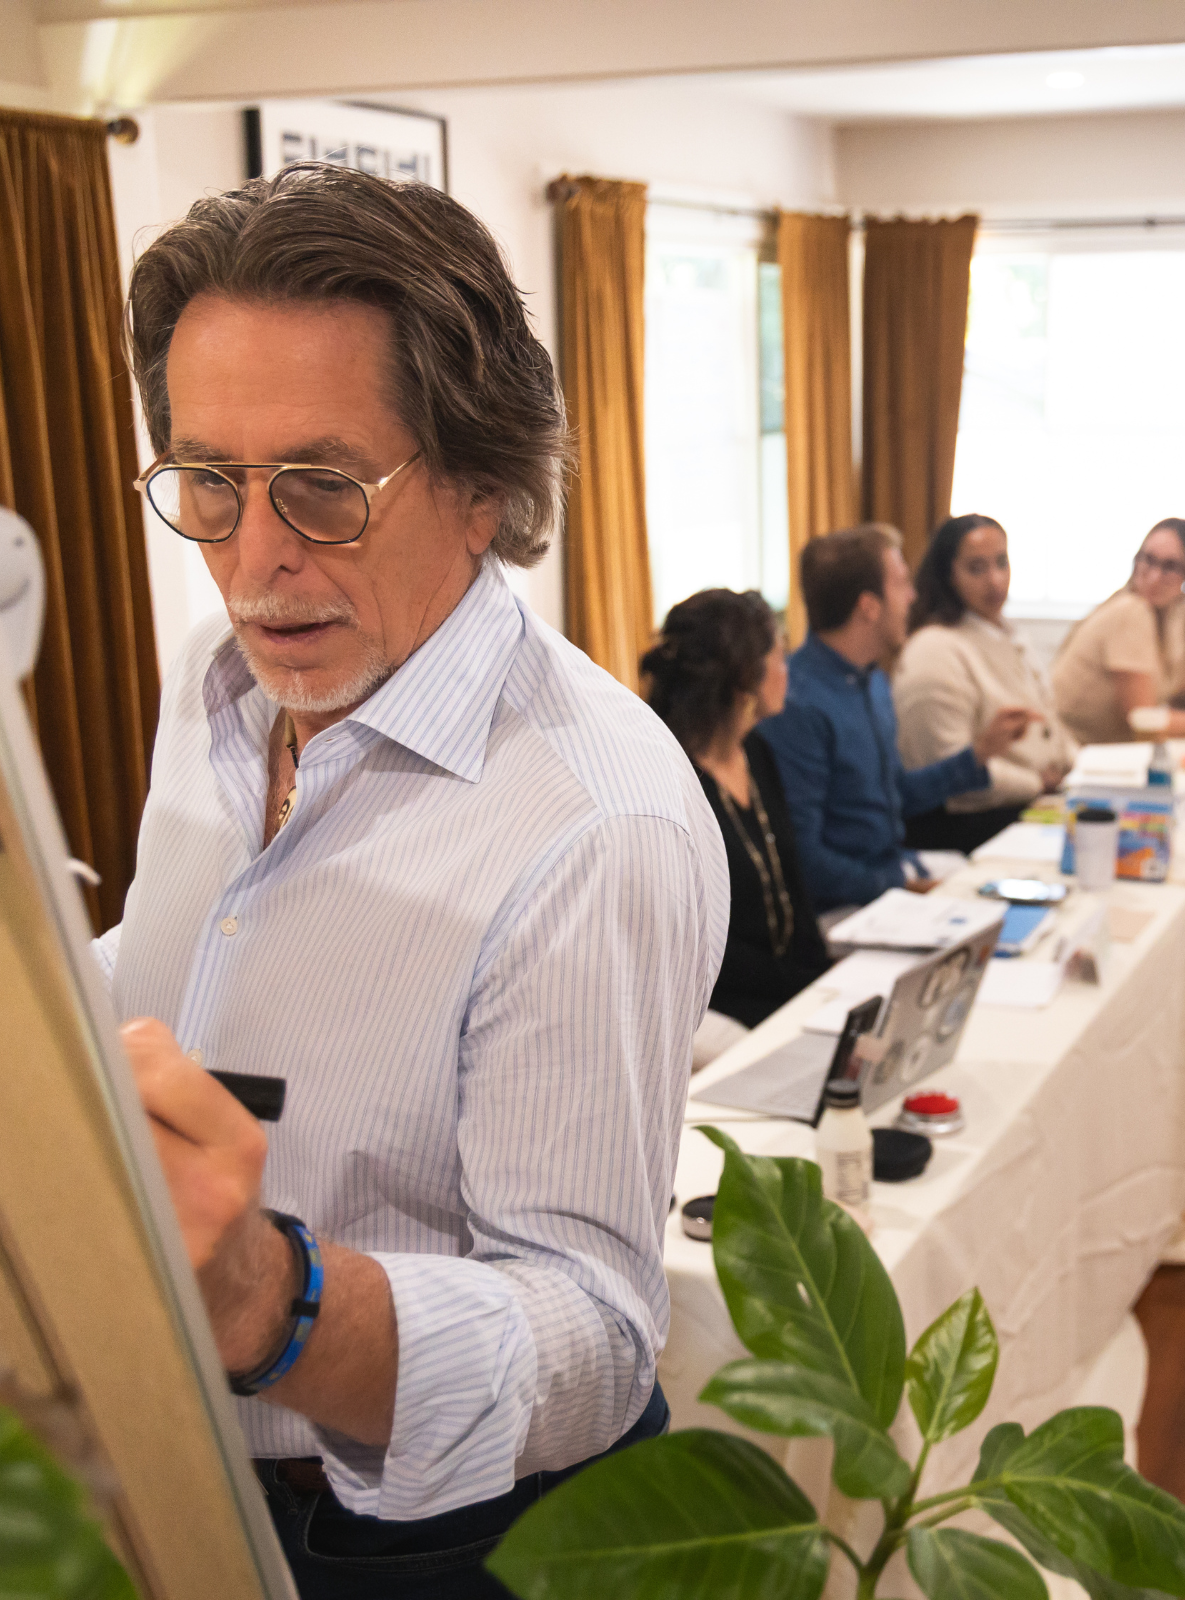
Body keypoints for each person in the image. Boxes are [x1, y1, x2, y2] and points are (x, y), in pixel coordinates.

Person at [107, 165, 728, 1598]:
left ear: (482, 487)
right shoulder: (212, 692)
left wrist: (271, 1301)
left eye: (322, 487)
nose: (253, 560)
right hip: (167, 1462)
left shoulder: (596, 824)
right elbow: (176, 952)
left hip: (426, 1539)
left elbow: (590, 1338)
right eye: (208, 481)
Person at [760, 524, 1037, 913]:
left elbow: (894, 796)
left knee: (1016, 887)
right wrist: (900, 883)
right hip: (844, 907)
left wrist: (977, 756)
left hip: (891, 869)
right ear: (869, 607)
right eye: (902, 584)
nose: (913, 596)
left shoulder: (872, 680)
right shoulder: (799, 706)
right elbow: (804, 860)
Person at [642, 589, 832, 1031]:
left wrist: (825, 978)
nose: (788, 672)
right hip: (724, 1009)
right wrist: (808, 986)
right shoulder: (673, 776)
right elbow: (710, 946)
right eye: (780, 657)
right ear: (746, 676)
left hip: (791, 993)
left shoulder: (758, 753)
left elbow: (794, 885)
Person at [894, 514, 1076, 852]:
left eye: (1001, 563)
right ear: (948, 575)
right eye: (977, 568)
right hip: (966, 826)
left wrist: (1076, 768)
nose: (995, 581)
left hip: (1029, 801)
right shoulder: (934, 649)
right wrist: (1037, 783)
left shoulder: (1006, 632)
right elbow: (951, 776)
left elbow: (1049, 722)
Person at [1051, 517, 1185, 744]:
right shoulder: (1131, 612)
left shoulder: (1171, 615)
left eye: (1170, 567)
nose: (1155, 576)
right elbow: (1144, 721)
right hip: (1071, 755)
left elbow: (1179, 699)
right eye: (1148, 560)